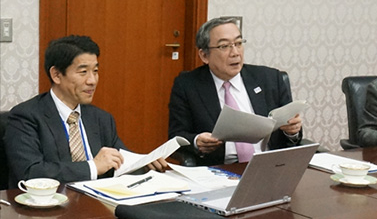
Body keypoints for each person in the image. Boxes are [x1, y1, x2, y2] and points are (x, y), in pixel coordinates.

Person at [4, 35, 167, 187]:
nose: (92, 81)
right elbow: (30, 172)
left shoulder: (101, 118)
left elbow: (119, 160)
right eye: (83, 72)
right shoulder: (26, 116)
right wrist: (93, 167)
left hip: (99, 204)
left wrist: (143, 163)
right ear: (56, 75)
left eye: (95, 71)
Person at [168, 17, 302, 166]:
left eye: (238, 44)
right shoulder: (188, 85)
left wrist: (293, 131)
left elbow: (292, 137)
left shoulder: (270, 79)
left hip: (269, 166)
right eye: (224, 46)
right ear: (204, 56)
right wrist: (196, 141)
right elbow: (176, 136)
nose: (235, 53)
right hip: (219, 169)